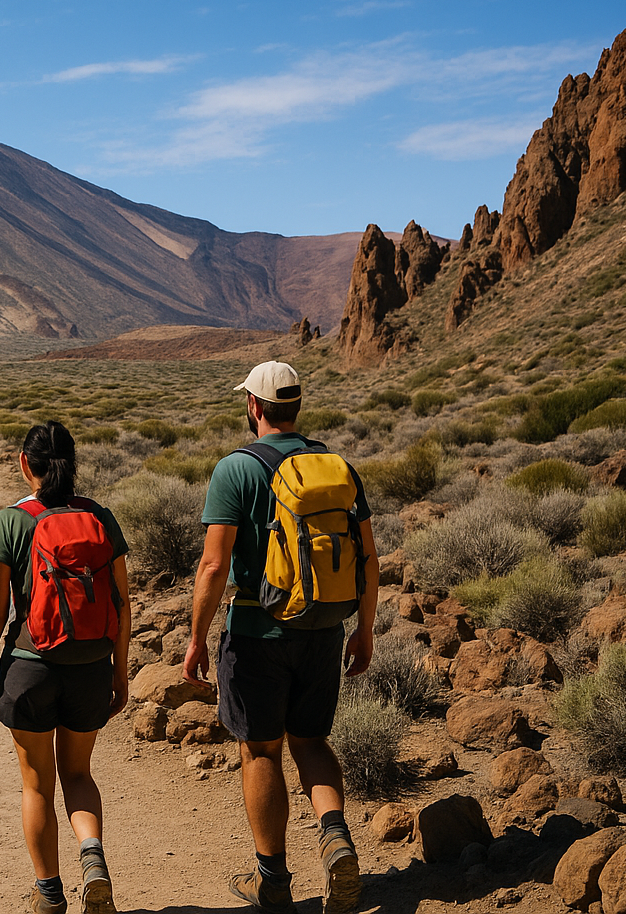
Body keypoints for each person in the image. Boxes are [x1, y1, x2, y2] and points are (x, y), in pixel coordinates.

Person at [182, 361, 380, 914]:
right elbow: (367, 557)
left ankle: (272, 882)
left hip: (257, 634)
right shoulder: (336, 467)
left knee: (261, 750)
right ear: (295, 406)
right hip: (324, 630)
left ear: (254, 406)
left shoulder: (236, 470)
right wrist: (364, 629)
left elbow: (213, 566)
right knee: (311, 742)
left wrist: (196, 638)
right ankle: (336, 839)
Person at [0, 421, 131, 914]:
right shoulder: (99, 517)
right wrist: (119, 672)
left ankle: (49, 894)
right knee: (78, 774)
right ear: (73, 463)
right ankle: (92, 856)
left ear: (26, 464)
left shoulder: (10, 521)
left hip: (30, 667)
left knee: (37, 783)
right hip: (90, 665)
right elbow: (122, 604)